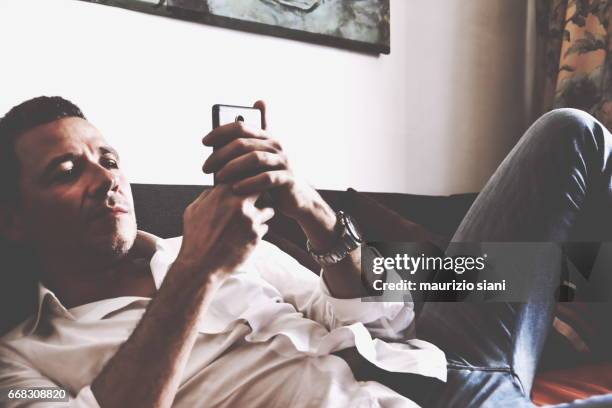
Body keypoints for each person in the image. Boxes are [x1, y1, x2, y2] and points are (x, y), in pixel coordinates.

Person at [0, 96, 610, 407]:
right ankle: (568, 308)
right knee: (487, 273)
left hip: (439, 358)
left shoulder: (227, 243)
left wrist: (310, 208)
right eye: (65, 170)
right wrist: (197, 273)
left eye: (109, 160)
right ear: (13, 220)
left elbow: (388, 319)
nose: (106, 179)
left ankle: (566, 305)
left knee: (570, 132)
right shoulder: (22, 359)